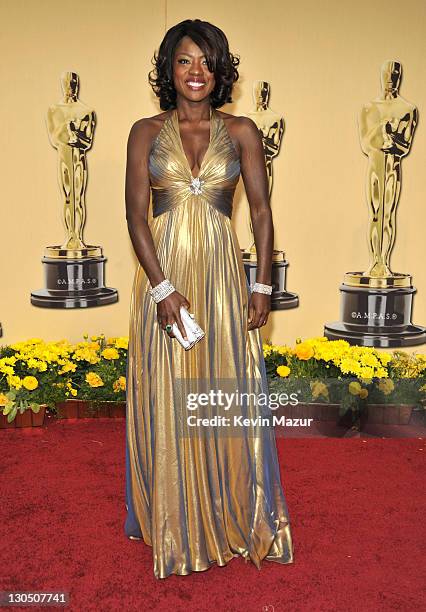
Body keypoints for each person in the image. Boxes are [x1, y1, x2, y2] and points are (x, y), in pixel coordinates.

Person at [124, 18, 294, 579]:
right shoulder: (144, 131)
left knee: (224, 392)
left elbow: (263, 213)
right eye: (184, 60)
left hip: (223, 279)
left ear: (221, 71)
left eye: (206, 61)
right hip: (164, 277)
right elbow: (135, 216)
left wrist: (263, 283)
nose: (196, 72)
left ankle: (228, 516)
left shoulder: (242, 130)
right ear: (168, 69)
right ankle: (175, 521)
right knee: (172, 392)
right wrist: (162, 289)